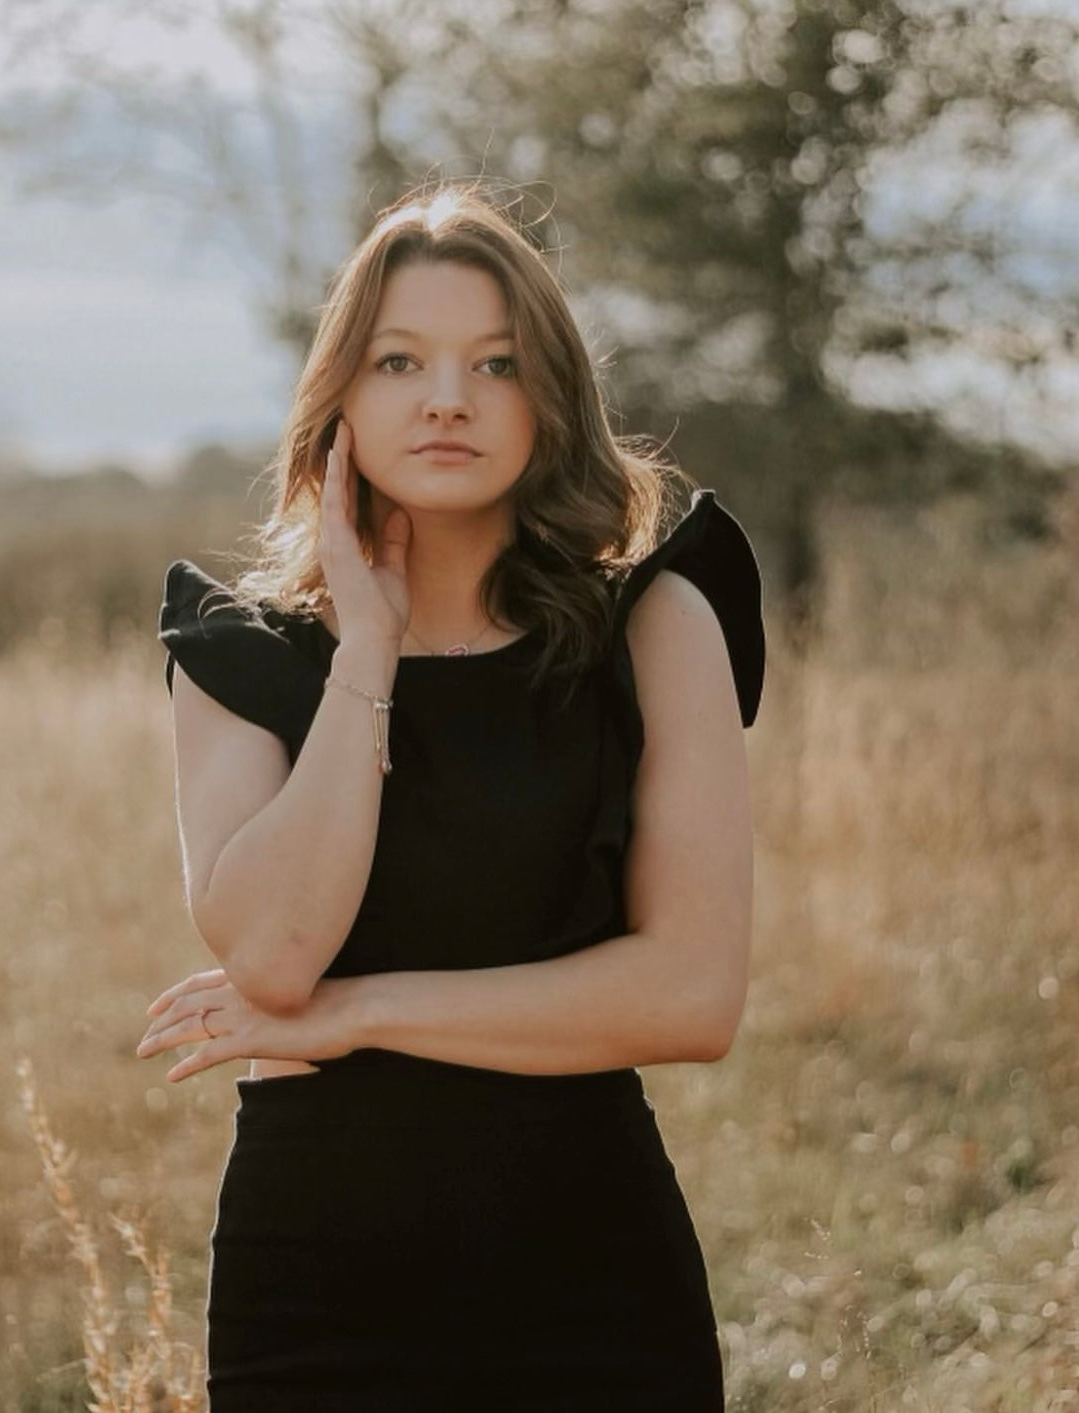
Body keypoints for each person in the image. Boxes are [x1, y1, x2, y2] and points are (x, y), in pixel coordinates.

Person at [138, 180, 765, 1411]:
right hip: (315, 1286)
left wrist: (356, 1014)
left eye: (495, 363)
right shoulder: (240, 655)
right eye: (399, 360)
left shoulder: (653, 627)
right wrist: (365, 647)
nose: (445, 398)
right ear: (340, 399)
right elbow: (272, 956)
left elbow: (691, 996)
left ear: (550, 400)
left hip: (587, 1270)